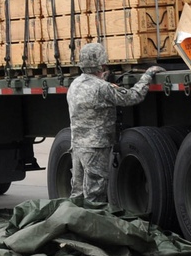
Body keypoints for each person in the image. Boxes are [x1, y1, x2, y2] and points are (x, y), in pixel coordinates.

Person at [67, 42, 164, 203]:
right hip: (95, 149)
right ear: (101, 64)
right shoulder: (102, 88)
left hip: (77, 147)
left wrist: (104, 81)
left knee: (77, 194)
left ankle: (72, 224)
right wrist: (149, 74)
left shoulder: (75, 85)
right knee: (95, 195)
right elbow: (134, 96)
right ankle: (92, 227)